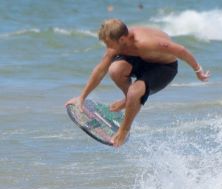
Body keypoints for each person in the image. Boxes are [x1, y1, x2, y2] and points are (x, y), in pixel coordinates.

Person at [65, 19, 210, 147]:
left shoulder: (148, 43)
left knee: (135, 92)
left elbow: (182, 51)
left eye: (109, 43)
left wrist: (198, 71)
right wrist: (82, 97)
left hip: (163, 68)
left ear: (122, 39)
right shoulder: (117, 45)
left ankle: (124, 129)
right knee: (115, 70)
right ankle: (129, 99)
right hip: (141, 59)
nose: (107, 46)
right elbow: (100, 70)